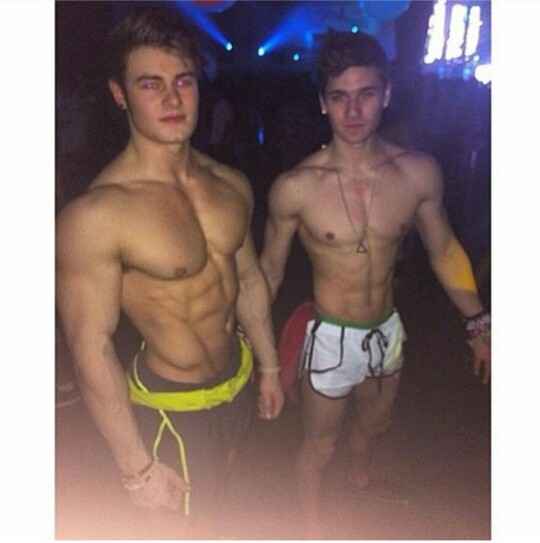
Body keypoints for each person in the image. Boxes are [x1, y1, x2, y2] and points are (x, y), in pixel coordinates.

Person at [56, 7, 284, 528]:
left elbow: (248, 279)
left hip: (238, 379)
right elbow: (90, 346)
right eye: (150, 84)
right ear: (120, 94)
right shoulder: (96, 215)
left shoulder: (230, 183)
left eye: (183, 80)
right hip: (170, 406)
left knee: (225, 509)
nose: (172, 98)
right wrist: (135, 469)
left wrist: (269, 366)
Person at [260, 31, 490, 536]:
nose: (353, 110)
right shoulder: (296, 187)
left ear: (386, 94)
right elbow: (269, 272)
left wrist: (478, 322)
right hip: (330, 337)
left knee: (374, 425)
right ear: (323, 103)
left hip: (386, 331)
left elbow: (445, 250)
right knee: (318, 445)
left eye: (365, 94)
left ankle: (360, 483)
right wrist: (259, 354)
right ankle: (311, 529)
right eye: (339, 97)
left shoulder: (417, 173)